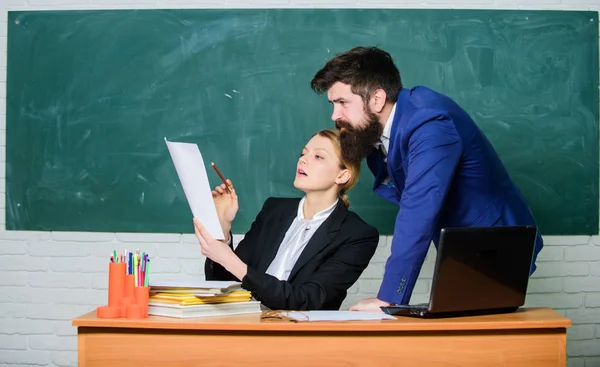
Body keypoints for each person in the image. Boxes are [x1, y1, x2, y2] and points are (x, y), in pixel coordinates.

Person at [310, 46, 544, 312]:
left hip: (496, 243)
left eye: (342, 103)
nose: (334, 115)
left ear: (377, 99)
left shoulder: (429, 122)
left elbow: (418, 209)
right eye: (333, 104)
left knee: (478, 335)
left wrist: (389, 298)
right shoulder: (383, 131)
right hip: (460, 244)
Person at [193, 129, 379, 311]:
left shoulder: (358, 235)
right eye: (303, 153)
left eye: (318, 157)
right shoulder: (273, 210)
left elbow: (308, 300)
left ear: (342, 175)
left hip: (298, 336)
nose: (303, 159)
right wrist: (223, 228)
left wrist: (231, 261)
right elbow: (225, 284)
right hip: (247, 326)